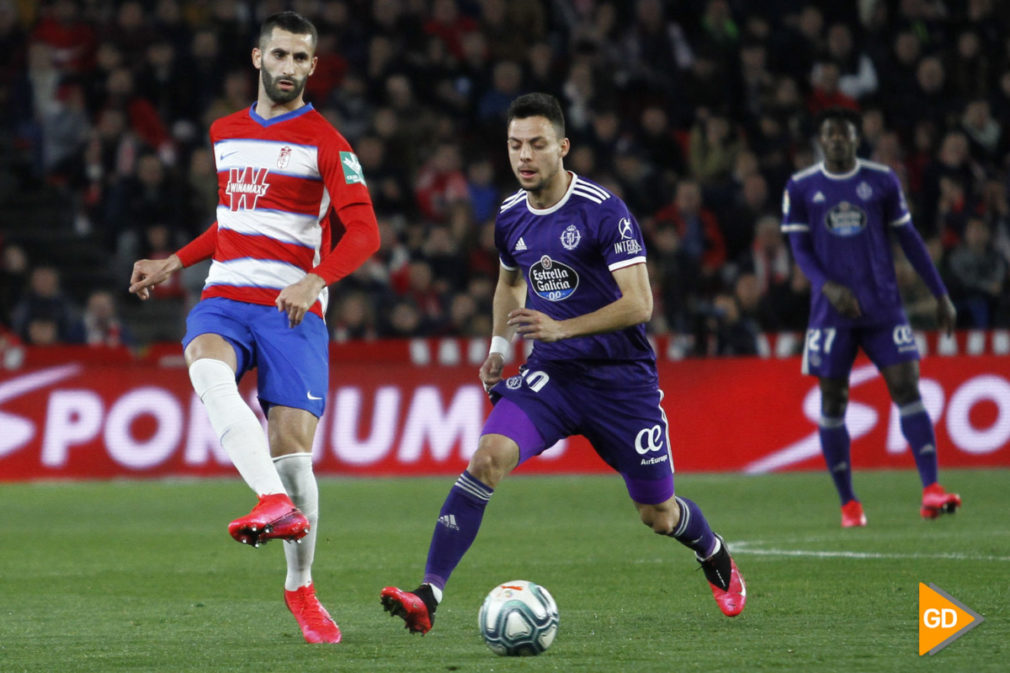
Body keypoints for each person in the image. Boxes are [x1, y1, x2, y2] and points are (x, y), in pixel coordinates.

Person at [380, 93, 746, 635]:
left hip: (621, 381)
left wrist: (563, 326)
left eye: (536, 144)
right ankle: (428, 595)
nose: (524, 156)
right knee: (486, 459)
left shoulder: (603, 210)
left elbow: (640, 303)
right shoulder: (509, 217)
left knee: (658, 514)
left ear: (563, 147)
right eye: (514, 145)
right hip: (551, 377)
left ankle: (711, 549)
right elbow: (508, 284)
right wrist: (500, 352)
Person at [128, 12, 379, 644]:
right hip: (224, 294)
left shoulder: (328, 142)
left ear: (312, 67)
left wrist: (315, 279)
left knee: (295, 455)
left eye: (301, 58)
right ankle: (272, 502)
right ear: (257, 58)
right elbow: (231, 221)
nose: (289, 67)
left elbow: (367, 232)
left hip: (292, 307)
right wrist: (174, 261)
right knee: (206, 363)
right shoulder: (225, 133)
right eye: (280, 55)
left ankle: (300, 586)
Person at [781, 107, 961, 528]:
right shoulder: (802, 187)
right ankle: (849, 504)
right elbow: (800, 251)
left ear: (857, 138)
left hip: (882, 307)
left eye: (845, 134)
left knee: (906, 386)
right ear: (821, 141)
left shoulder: (881, 180)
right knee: (833, 400)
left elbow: (910, 238)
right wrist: (828, 286)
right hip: (830, 314)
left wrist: (940, 293)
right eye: (830, 134)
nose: (838, 140)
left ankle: (932, 490)